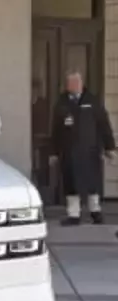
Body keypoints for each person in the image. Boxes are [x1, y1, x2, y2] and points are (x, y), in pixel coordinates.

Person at [51, 71, 117, 225]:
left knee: (92, 183)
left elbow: (104, 125)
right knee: (71, 184)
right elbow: (55, 129)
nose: (72, 85)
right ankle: (74, 214)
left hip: (90, 150)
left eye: (75, 82)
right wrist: (54, 152)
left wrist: (109, 147)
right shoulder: (62, 103)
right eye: (70, 83)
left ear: (81, 83)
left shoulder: (92, 101)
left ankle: (95, 212)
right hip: (69, 152)